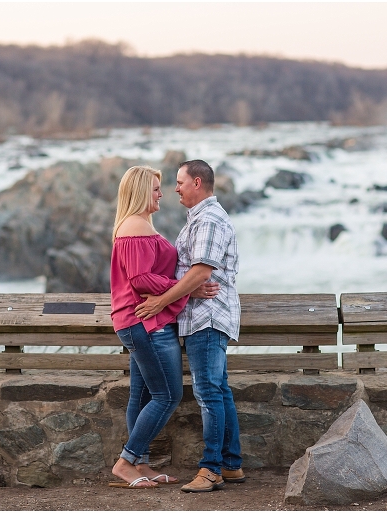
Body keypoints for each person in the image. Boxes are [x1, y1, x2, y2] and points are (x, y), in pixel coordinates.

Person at [135, 159, 244, 493]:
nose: (175, 188)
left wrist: (161, 300)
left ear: (197, 183)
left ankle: (210, 469)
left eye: (180, 182)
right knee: (219, 389)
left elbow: (201, 272)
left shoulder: (209, 219)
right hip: (202, 316)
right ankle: (231, 464)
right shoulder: (200, 218)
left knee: (208, 391)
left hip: (207, 317)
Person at [109, 165, 219, 489]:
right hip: (146, 322)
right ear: (142, 191)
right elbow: (140, 279)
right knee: (168, 394)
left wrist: (178, 287)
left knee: (141, 395)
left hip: (140, 320)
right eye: (156, 188)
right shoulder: (134, 227)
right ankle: (127, 460)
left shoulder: (137, 225)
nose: (162, 193)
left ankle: (139, 464)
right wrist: (185, 286)